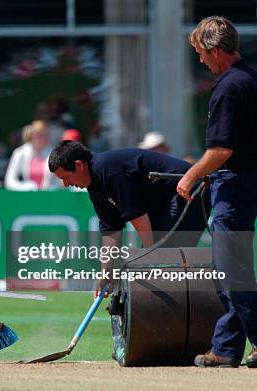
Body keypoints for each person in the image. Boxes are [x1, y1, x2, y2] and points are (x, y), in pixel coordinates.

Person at [178, 16, 257, 369]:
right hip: (246, 182)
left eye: (199, 53)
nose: (200, 60)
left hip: (234, 184)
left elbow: (221, 150)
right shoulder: (251, 79)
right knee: (230, 266)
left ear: (214, 51)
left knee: (230, 267)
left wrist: (191, 175)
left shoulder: (228, 87)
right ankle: (225, 348)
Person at [48, 141, 211, 297]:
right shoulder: (94, 185)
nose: (65, 184)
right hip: (163, 204)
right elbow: (111, 232)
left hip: (188, 191)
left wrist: (149, 256)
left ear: (79, 165)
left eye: (66, 177)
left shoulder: (110, 170)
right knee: (154, 262)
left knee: (162, 261)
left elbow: (138, 217)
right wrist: (106, 275)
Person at [5, 120, 58, 191]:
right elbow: (9, 181)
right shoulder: (20, 153)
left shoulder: (54, 153)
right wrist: (26, 187)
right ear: (32, 135)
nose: (43, 138)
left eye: (45, 135)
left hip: (49, 197)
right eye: (39, 135)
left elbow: (60, 180)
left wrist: (52, 188)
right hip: (26, 197)